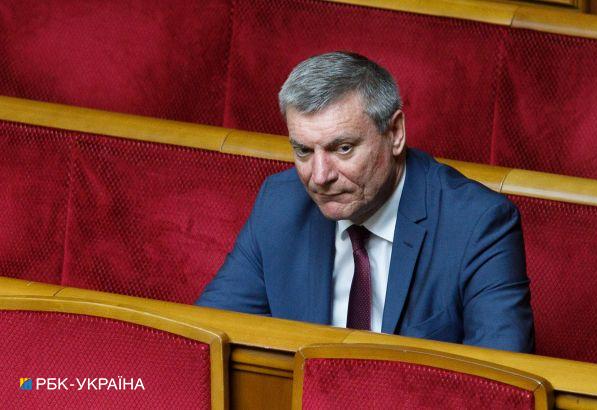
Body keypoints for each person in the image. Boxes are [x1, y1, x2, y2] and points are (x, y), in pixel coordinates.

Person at [197, 51, 533, 352]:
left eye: (343, 148)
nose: (320, 176)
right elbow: (205, 338)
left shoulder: (478, 223)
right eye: (303, 151)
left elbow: (502, 379)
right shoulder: (280, 203)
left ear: (395, 133)